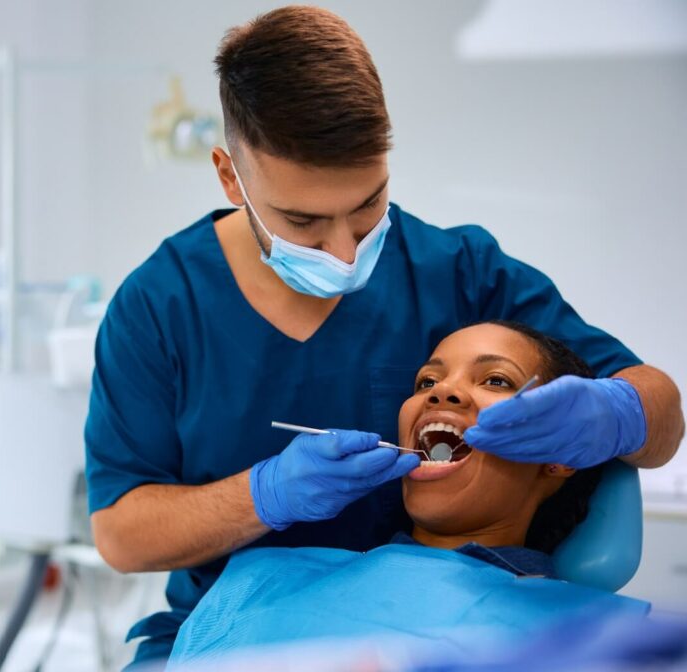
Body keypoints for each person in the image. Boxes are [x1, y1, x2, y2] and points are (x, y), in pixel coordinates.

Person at [84, 6, 684, 666]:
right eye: (305, 222)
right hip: (240, 626)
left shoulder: (458, 272)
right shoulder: (161, 306)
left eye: (368, 206)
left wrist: (616, 413)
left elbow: (660, 412)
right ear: (232, 178)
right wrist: (264, 495)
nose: (344, 253)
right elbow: (121, 535)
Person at [168, 321, 651, 666]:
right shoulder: (261, 580)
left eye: (496, 380)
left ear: (561, 450)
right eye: (428, 381)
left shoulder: (603, 642)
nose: (442, 393)